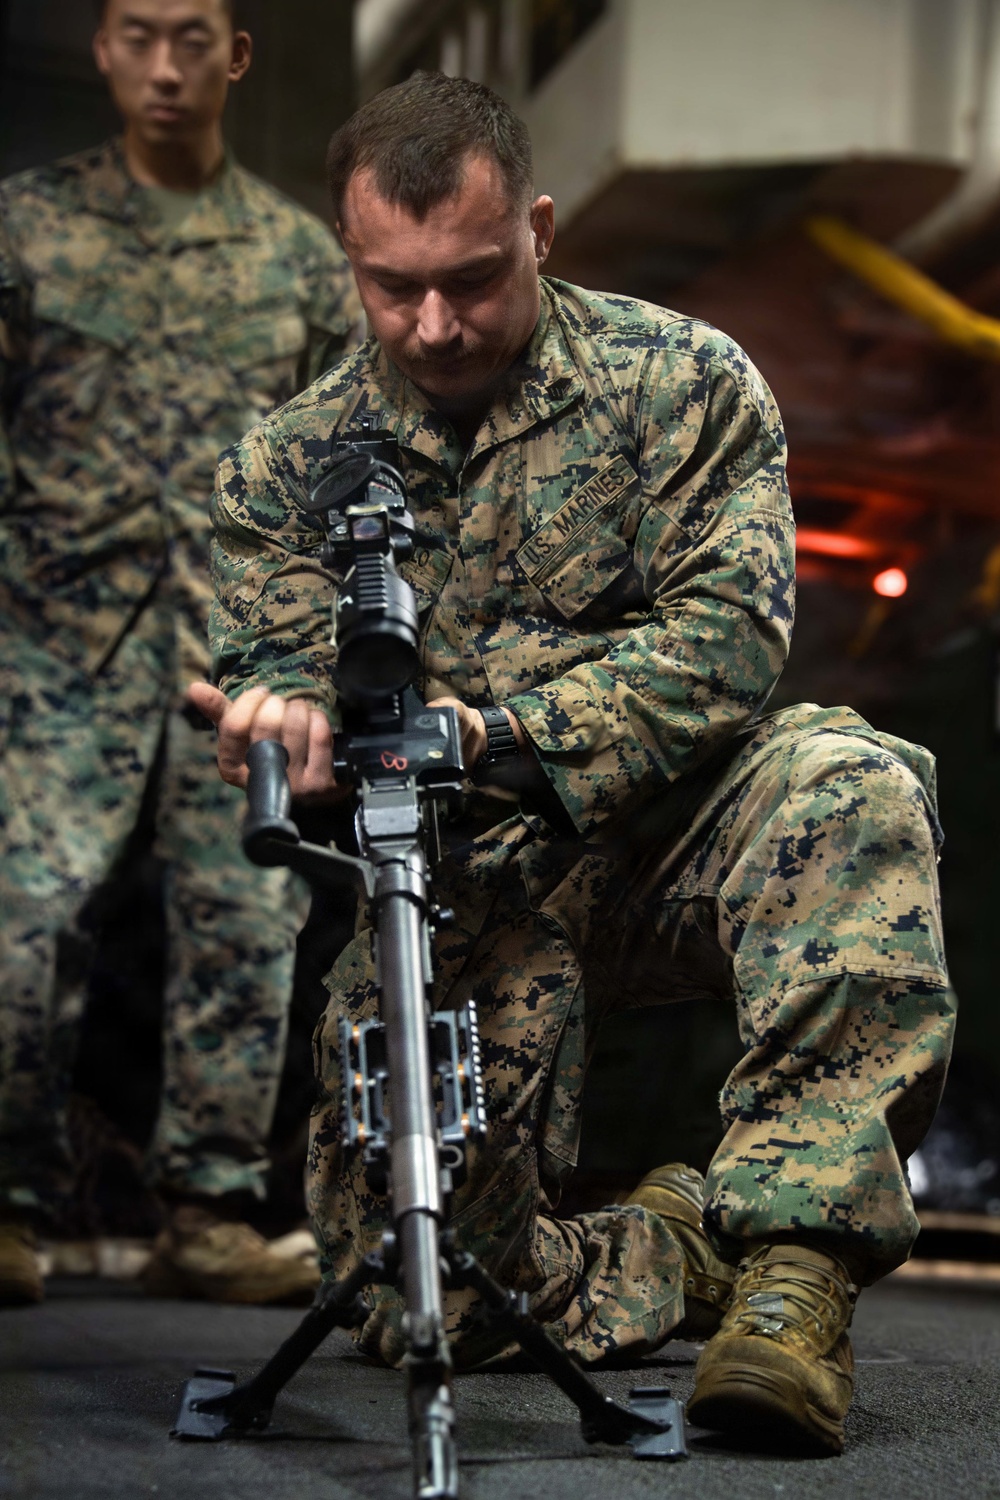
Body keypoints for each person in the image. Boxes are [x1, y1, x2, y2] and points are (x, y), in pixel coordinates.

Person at [191, 73, 955, 1454]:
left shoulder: (685, 382)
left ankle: (795, 1277)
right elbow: (282, 656)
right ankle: (685, 1246)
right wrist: (285, 716)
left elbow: (731, 638)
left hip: (673, 829)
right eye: (392, 287)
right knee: (429, 1299)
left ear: (539, 228)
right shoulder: (287, 464)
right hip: (456, 884)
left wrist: (501, 732)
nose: (434, 325)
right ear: (348, 259)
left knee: (852, 786)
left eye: (474, 279)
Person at [0, 0, 361, 1307]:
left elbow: (340, 475)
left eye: (194, 37)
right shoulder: (24, 228)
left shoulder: (302, 262)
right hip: (50, 645)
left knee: (245, 914)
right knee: (25, 917)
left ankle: (210, 1210)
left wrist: (312, 652)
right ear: (102, 48)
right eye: (140, 35)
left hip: (234, 646)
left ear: (236, 56)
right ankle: (8, 1203)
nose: (167, 65)